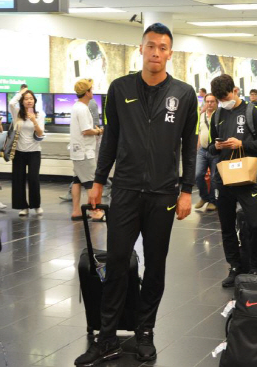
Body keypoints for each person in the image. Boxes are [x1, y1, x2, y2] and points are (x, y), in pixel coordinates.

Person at [74, 23, 198, 366]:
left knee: (155, 266)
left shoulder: (184, 94)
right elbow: (110, 138)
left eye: (162, 47)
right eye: (151, 46)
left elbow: (190, 147)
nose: (156, 52)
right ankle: (107, 337)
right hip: (125, 190)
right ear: (140, 50)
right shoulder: (120, 88)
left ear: (170, 53)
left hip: (163, 195)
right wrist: (98, 181)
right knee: (116, 263)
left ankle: (146, 332)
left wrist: (187, 190)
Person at [208, 74, 257, 285]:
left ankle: (254, 266)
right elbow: (209, 147)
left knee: (254, 225)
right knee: (226, 225)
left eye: (225, 97)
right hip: (224, 177)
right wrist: (215, 147)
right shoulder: (217, 115)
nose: (224, 102)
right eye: (219, 99)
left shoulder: (253, 111)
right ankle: (234, 266)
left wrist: (241, 144)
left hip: (248, 177)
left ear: (235, 90)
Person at [69, 79, 105, 222]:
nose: (93, 91)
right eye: (91, 89)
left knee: (77, 181)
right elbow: (86, 130)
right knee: (91, 182)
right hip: (85, 152)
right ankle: (95, 212)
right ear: (87, 92)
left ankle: (76, 211)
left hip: (78, 151)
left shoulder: (77, 107)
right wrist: (99, 132)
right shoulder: (83, 109)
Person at [9, 87, 45, 216]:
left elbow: (41, 134)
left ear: (34, 101)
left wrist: (34, 120)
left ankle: (36, 205)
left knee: (33, 178)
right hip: (19, 151)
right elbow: (11, 103)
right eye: (26, 98)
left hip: (34, 151)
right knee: (19, 179)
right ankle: (22, 206)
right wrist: (21, 93)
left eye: (31, 98)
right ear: (22, 101)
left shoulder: (40, 114)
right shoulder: (17, 113)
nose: (29, 101)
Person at [194, 93, 219, 212]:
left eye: (212, 101)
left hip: (215, 151)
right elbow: (199, 130)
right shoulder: (201, 116)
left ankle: (212, 201)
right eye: (207, 101)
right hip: (202, 151)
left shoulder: (220, 115)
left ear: (216, 102)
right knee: (198, 175)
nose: (209, 104)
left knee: (214, 177)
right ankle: (204, 197)